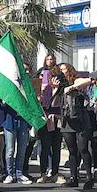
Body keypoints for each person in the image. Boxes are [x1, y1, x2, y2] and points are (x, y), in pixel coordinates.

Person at [57, 63, 96, 191]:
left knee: (83, 148)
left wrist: (72, 87)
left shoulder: (76, 80)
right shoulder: (58, 84)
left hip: (80, 119)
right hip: (67, 120)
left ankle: (90, 178)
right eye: (60, 70)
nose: (63, 72)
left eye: (65, 69)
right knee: (72, 150)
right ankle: (74, 177)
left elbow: (90, 80)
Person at [35, 55, 63, 183]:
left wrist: (56, 88)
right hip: (44, 117)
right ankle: (43, 173)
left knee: (56, 146)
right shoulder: (40, 89)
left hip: (56, 117)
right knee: (44, 146)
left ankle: (55, 173)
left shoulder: (60, 86)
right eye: (42, 76)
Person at [0, 97, 34, 185]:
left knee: (22, 149)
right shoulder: (8, 89)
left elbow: (30, 106)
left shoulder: (25, 88)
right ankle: (9, 174)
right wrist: (3, 103)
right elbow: (1, 108)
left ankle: (19, 174)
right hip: (10, 121)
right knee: (10, 150)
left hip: (23, 121)